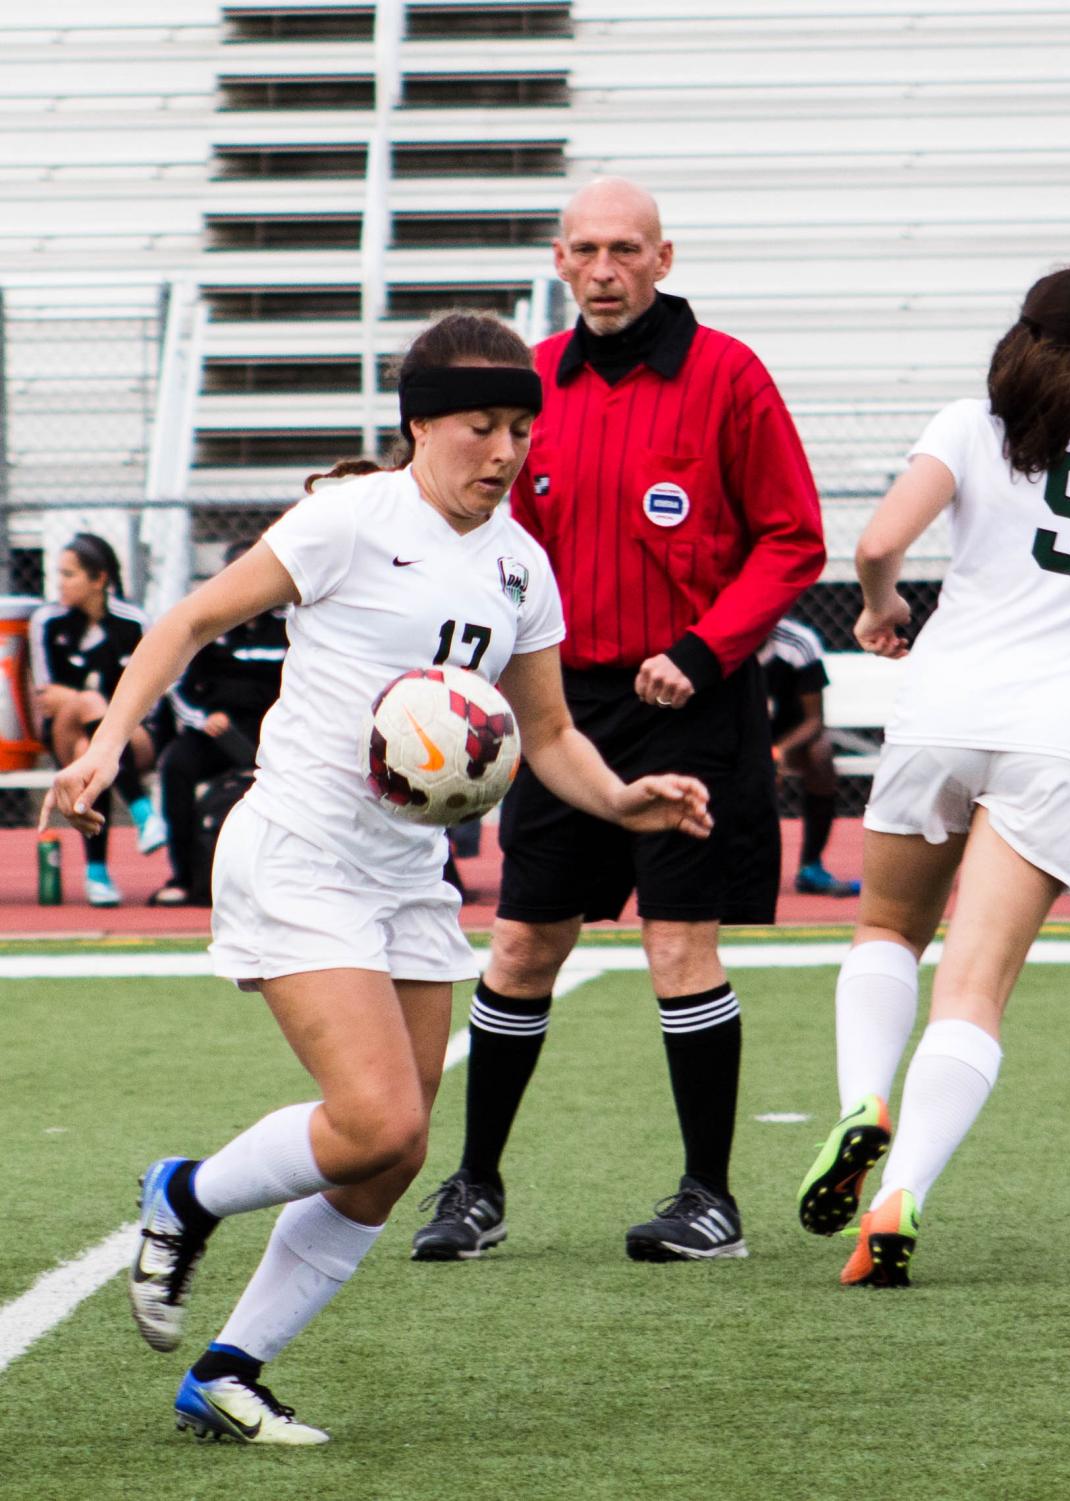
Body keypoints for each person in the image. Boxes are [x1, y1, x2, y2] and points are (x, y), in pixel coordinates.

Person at [41, 310, 712, 1445]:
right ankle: (187, 1193)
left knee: (392, 1154)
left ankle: (229, 1368)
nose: (503, 452)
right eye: (477, 427)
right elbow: (197, 615)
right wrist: (109, 739)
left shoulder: (519, 563)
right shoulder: (350, 517)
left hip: (408, 874)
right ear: (417, 426)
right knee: (376, 1114)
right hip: (301, 849)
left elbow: (545, 733)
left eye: (517, 429)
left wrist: (619, 797)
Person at [413, 178, 826, 1266]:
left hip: (691, 699)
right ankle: (475, 1187)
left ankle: (708, 1200)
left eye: (624, 249)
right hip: (558, 710)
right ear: (559, 260)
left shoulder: (728, 377)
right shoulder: (528, 382)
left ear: (662, 258)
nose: (603, 268)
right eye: (585, 249)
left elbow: (793, 539)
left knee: (678, 942)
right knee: (520, 941)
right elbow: (475, 525)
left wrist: (701, 650)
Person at [796, 266, 1070, 1287]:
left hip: (941, 711)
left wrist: (882, 608)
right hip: (1052, 738)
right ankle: (901, 1197)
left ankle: (859, 1103)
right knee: (972, 989)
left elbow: (877, 541)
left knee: (885, 929)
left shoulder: (966, 424)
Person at [27, 532, 168, 906]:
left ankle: (97, 874)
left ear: (100, 579)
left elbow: (151, 692)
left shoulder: (133, 623)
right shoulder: (47, 622)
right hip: (63, 732)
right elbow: (48, 697)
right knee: (88, 707)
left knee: (90, 749)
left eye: (70, 574)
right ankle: (143, 812)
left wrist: (88, 706)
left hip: (131, 736)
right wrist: (83, 701)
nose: (61, 583)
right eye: (59, 574)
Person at [154, 539, 289, 906]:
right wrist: (203, 718)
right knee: (176, 765)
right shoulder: (208, 626)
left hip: (273, 734)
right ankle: (183, 876)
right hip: (216, 731)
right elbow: (176, 687)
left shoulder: (289, 627)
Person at [758, 616, 860, 896]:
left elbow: (815, 721)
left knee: (820, 753)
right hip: (736, 737)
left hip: (788, 739)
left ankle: (811, 866)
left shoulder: (798, 643)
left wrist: (777, 752)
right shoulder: (719, 642)